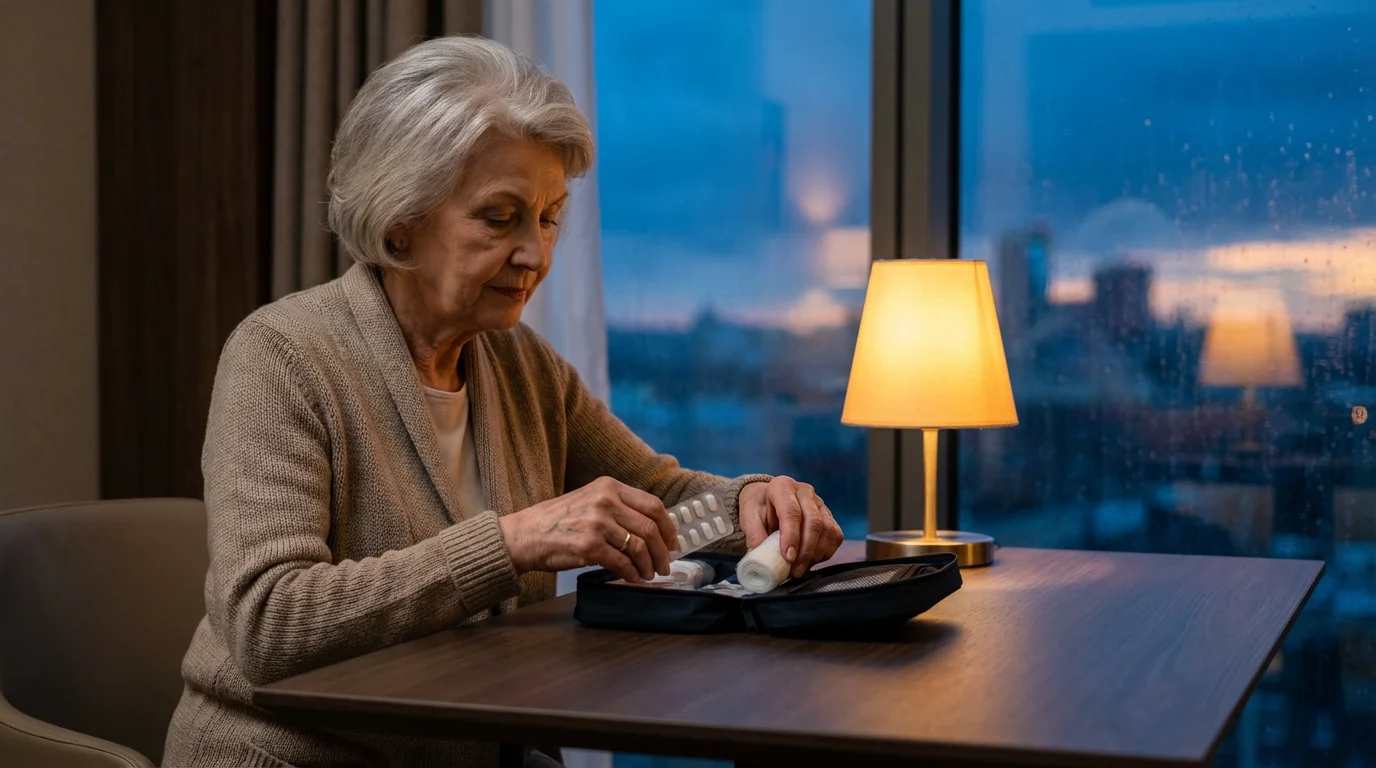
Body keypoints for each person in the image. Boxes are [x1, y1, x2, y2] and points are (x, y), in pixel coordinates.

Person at [162, 35, 844, 768]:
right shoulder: (284, 355)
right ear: (400, 219)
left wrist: (755, 503)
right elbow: (270, 622)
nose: (536, 255)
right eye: (500, 217)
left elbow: (663, 497)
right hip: (299, 756)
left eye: (548, 216)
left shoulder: (520, 365)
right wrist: (512, 540)